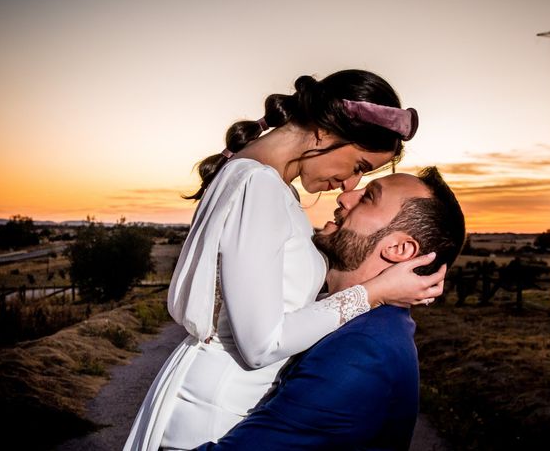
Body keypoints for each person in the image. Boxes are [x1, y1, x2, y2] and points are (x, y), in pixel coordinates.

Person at [124, 70, 446, 451]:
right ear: (324, 131)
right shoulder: (258, 187)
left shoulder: (264, 185)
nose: (348, 185)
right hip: (213, 417)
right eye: (359, 166)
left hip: (228, 406)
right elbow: (260, 344)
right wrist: (373, 292)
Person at [196, 167, 466, 450]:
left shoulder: (363, 352)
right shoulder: (363, 323)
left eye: (368, 198)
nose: (345, 196)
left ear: (399, 249)